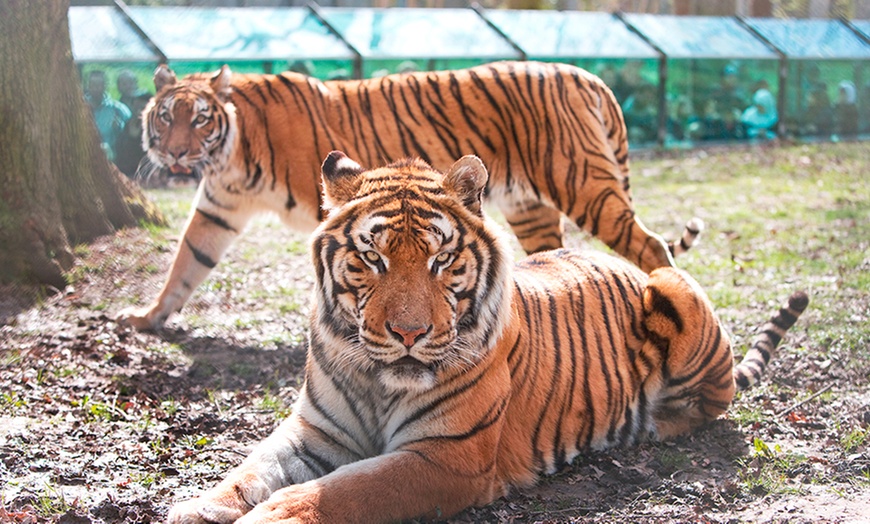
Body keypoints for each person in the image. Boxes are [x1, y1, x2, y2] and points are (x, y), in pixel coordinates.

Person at [85, 69, 131, 162]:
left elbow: (130, 126)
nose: (96, 88)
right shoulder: (80, 106)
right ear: (88, 86)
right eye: (93, 85)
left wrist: (118, 127)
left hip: (109, 158)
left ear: (105, 86)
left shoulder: (117, 109)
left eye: (99, 85)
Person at [114, 91, 152, 179]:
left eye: (142, 108)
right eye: (136, 108)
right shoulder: (128, 124)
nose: (138, 111)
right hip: (126, 171)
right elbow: (120, 149)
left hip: (146, 173)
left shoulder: (155, 128)